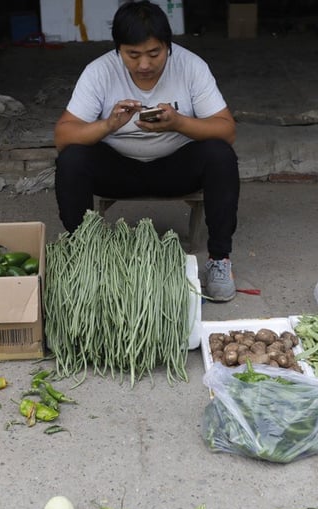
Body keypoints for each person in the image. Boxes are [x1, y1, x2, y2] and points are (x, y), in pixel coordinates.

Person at [53, 0, 240, 302]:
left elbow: (227, 130)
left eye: (154, 53)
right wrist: (108, 125)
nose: (144, 65)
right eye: (133, 55)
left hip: (175, 169)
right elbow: (63, 135)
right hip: (117, 170)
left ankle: (220, 259)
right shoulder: (99, 71)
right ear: (118, 50)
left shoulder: (191, 66)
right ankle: (83, 255)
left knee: (220, 155)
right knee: (71, 158)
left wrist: (178, 123)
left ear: (168, 46)